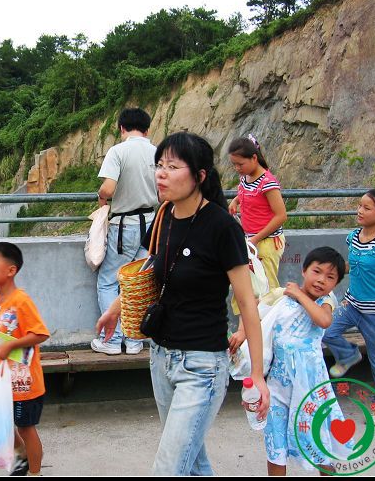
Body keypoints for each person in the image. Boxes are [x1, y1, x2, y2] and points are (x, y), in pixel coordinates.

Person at [96, 132, 269, 475]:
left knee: (169, 468)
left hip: (202, 365)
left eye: (172, 167)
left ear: (199, 176)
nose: (161, 174)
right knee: (192, 464)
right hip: (161, 358)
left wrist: (257, 375)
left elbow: (247, 303)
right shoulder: (164, 216)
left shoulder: (222, 227)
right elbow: (148, 272)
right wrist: (115, 308)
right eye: (159, 165)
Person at [262, 247, 351, 475]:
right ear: (304, 270)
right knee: (275, 447)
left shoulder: (326, 301)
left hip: (310, 388)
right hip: (278, 387)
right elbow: (256, 311)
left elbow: (324, 320)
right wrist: (242, 333)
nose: (321, 280)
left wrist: (300, 295)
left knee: (317, 443)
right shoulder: (281, 295)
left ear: (336, 284)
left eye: (330, 277)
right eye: (317, 271)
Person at [92, 107, 158, 356]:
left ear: (121, 128)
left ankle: (111, 339)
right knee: (136, 282)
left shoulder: (118, 151)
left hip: (124, 226)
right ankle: (133, 340)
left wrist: (101, 198)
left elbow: (108, 189)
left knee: (109, 281)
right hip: (151, 224)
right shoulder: (157, 152)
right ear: (147, 130)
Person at [0, 242, 50, 476]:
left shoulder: (21, 301)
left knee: (25, 428)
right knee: (2, 425)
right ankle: (22, 455)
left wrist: (10, 345)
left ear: (11, 270)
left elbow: (40, 333)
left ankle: (35, 471)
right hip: (4, 381)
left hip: (25, 385)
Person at [322, 189, 375, 415]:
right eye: (359, 205)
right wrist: (329, 272)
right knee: (326, 330)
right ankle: (349, 355)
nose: (360, 211)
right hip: (351, 305)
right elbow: (353, 265)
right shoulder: (352, 236)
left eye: (366, 208)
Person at [227, 134, 287, 349]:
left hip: (266, 243)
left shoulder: (268, 182)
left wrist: (255, 239)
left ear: (254, 158)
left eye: (240, 164)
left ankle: (266, 337)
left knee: (266, 291)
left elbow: (281, 215)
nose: (237, 169)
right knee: (245, 288)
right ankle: (248, 335)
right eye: (234, 165)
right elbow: (246, 192)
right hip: (251, 242)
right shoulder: (247, 177)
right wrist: (236, 200)